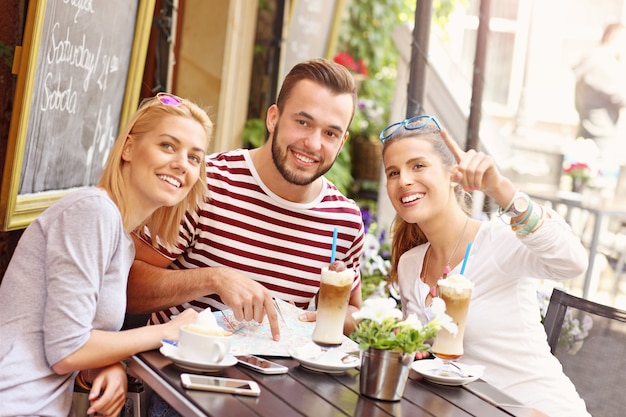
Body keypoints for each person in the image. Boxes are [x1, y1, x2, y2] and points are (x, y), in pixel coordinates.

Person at [0, 92, 212, 417]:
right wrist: (167, 331)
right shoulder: (93, 211)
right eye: (168, 145)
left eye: (194, 157)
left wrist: (107, 364)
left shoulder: (120, 238)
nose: (182, 163)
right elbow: (67, 349)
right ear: (128, 148)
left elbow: (64, 337)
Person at [381, 114, 591, 417]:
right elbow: (428, 361)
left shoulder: (497, 242)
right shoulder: (411, 264)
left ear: (453, 173)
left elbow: (572, 262)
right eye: (392, 172)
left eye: (418, 166)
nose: (404, 180)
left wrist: (500, 188)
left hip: (540, 410)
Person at [574, 22, 626, 159]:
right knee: (599, 176)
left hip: (589, 128)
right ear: (615, 40)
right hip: (600, 133)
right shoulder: (603, 63)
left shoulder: (592, 59)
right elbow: (621, 97)